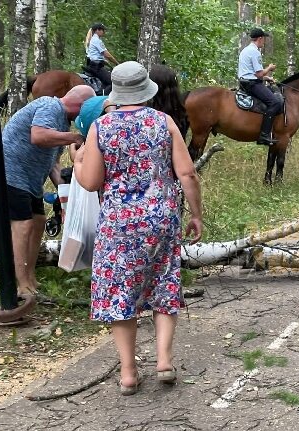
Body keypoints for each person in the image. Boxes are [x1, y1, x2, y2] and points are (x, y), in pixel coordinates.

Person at [74, 61, 203, 395]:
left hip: (118, 225)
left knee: (121, 291)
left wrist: (76, 163)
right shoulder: (164, 123)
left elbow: (90, 182)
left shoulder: (100, 128)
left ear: (116, 92)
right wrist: (196, 215)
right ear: (145, 90)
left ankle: (129, 373)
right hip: (161, 219)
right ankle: (163, 361)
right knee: (163, 283)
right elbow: (187, 174)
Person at [2, 85, 95, 296]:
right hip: (11, 172)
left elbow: (53, 165)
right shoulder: (50, 106)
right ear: (79, 105)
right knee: (23, 225)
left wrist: (68, 195)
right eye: (84, 110)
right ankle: (22, 284)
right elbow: (38, 136)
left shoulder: (61, 120)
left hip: (31, 180)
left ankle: (30, 276)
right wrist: (74, 138)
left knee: (38, 221)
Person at [238, 27, 281, 146]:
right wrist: (269, 68)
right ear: (260, 38)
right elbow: (259, 73)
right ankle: (264, 135)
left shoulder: (246, 50)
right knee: (275, 102)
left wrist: (267, 78)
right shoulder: (255, 52)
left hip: (245, 82)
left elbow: (252, 73)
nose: (264, 42)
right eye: (264, 39)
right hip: (252, 85)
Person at [85, 23, 119, 94]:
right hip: (96, 67)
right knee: (113, 82)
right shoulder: (97, 40)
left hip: (94, 64)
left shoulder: (93, 40)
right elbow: (107, 55)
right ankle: (100, 96)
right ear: (97, 30)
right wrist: (117, 63)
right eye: (103, 30)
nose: (104, 32)